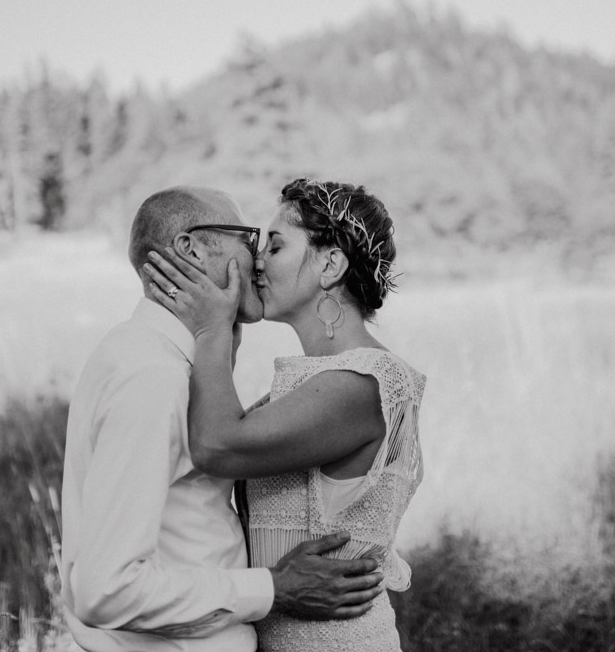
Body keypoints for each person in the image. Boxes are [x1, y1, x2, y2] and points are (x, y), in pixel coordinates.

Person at [60, 186, 386, 652]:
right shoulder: (152, 374)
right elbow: (105, 588)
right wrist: (273, 588)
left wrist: (221, 339)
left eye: (271, 245)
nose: (257, 258)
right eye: (247, 237)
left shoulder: (166, 362)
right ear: (190, 250)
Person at [142, 178, 425, 652]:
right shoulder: (318, 381)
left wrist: (212, 327)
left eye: (274, 246)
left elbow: (216, 446)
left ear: (330, 263)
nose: (256, 261)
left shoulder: (360, 384)